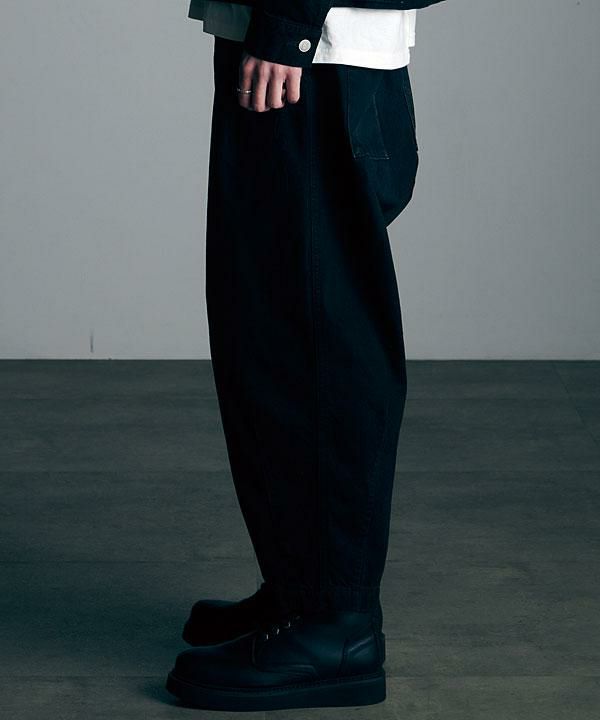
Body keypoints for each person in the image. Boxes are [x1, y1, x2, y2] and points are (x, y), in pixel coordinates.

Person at [166, 0, 446, 711]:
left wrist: (288, 24)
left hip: (317, 49)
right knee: (272, 335)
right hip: (293, 38)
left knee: (321, 345)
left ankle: (337, 624)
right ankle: (302, 593)